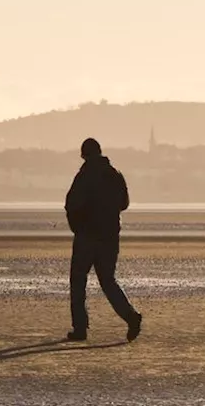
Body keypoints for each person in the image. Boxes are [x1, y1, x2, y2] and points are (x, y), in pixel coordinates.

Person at [64, 137, 142, 342]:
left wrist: (77, 227)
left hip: (87, 237)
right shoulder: (114, 175)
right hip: (109, 237)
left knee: (78, 281)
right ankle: (130, 316)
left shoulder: (84, 175)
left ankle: (80, 328)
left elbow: (71, 204)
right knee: (108, 281)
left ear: (85, 155)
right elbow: (124, 204)